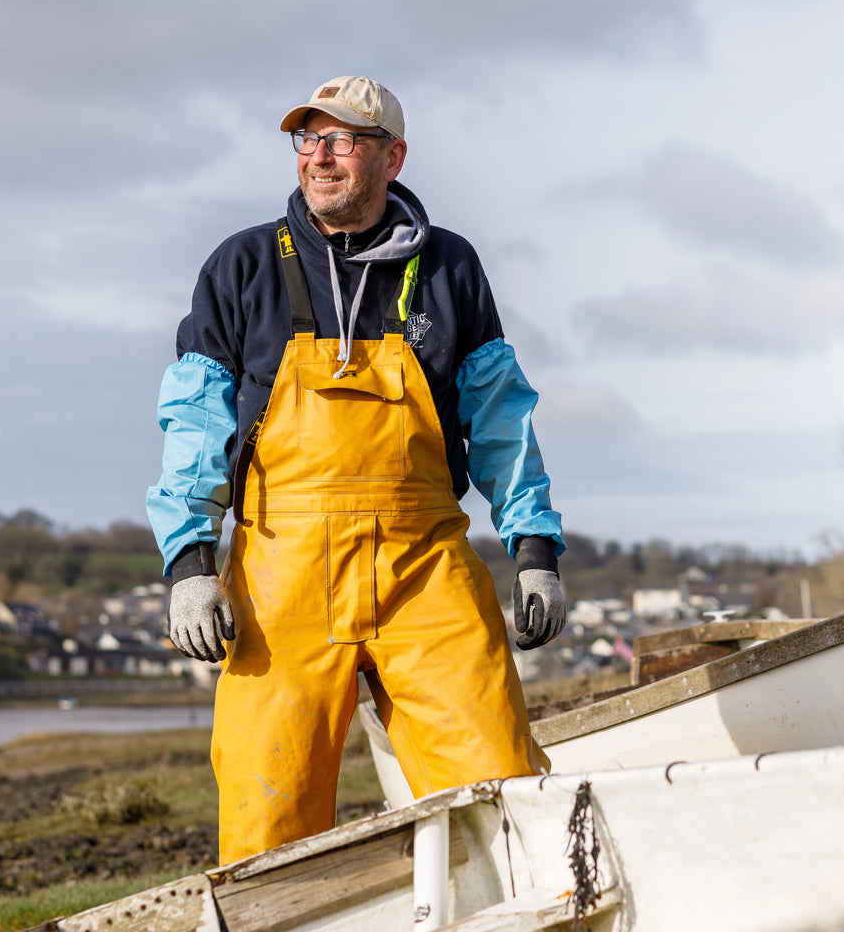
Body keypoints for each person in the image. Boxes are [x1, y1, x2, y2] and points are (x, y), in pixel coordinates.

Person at [145, 75, 566, 864]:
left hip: (425, 568)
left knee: (501, 785)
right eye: (307, 139)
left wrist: (535, 550)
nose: (319, 156)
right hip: (281, 578)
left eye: (342, 139)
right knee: (266, 817)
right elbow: (194, 421)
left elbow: (502, 421)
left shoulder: (451, 267)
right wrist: (190, 564)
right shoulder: (241, 266)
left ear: (392, 157)